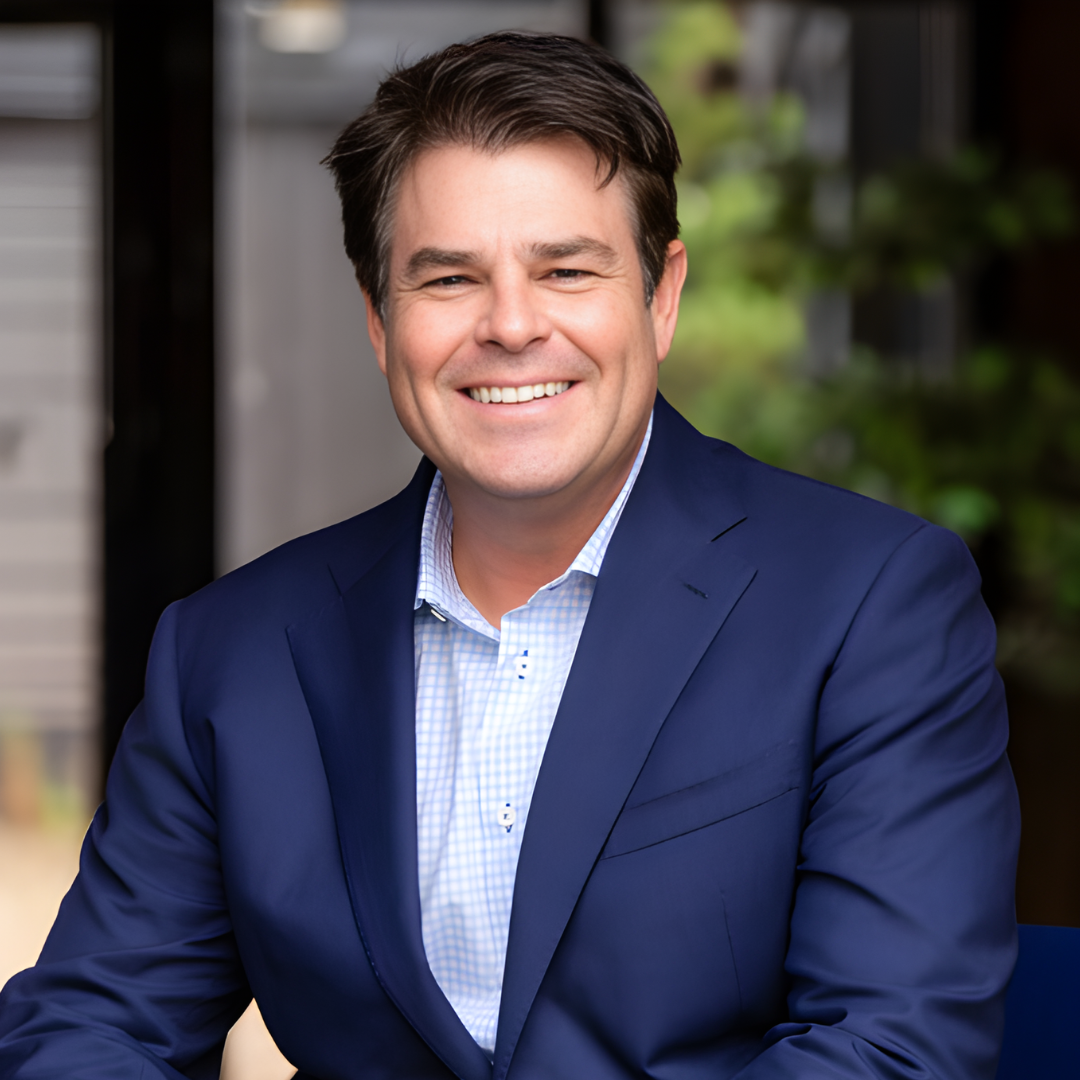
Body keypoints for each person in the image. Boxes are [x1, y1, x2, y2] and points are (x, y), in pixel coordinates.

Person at [0, 32, 1019, 1080]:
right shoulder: (231, 650)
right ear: (380, 320)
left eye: (566, 270)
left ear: (661, 295)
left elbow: (891, 1046)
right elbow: (91, 1025)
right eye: (449, 279)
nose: (513, 325)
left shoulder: (870, 604)